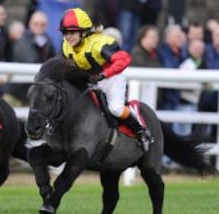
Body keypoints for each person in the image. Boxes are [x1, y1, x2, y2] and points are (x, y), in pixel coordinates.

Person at [59, 8, 153, 150]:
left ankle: (141, 130)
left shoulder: (99, 44)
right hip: (90, 80)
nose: (68, 37)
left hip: (112, 79)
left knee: (116, 110)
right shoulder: (66, 46)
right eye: (65, 32)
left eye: (72, 32)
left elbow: (124, 59)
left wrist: (104, 74)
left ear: (83, 32)